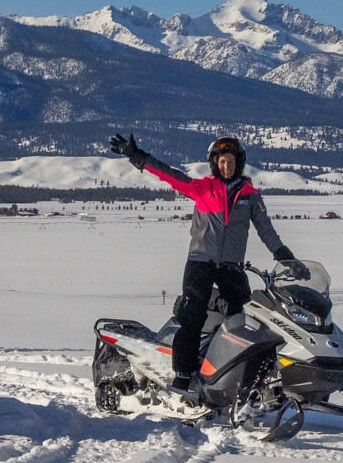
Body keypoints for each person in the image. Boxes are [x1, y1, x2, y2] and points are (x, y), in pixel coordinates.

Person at [108, 132, 298, 400]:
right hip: (200, 262)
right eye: (221, 162)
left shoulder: (250, 196)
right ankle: (183, 376)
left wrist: (287, 257)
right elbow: (169, 174)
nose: (226, 166)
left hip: (231, 266)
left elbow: (267, 231)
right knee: (192, 317)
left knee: (243, 320)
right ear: (214, 164)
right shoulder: (203, 188)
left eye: (231, 161)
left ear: (239, 163)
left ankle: (238, 377)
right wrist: (137, 156)